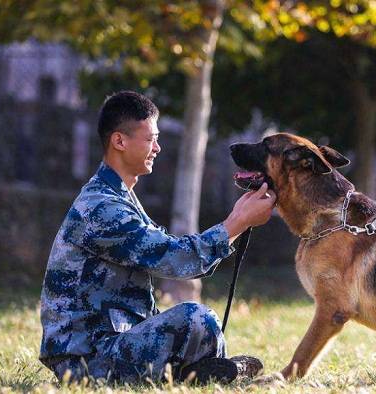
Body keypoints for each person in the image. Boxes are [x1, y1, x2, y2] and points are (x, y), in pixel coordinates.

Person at [39, 91, 276, 384]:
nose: (158, 148)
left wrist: (236, 224)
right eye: (150, 139)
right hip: (85, 362)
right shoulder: (101, 207)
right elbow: (172, 258)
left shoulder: (118, 197)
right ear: (119, 141)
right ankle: (210, 374)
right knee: (196, 319)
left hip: (107, 346)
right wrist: (235, 223)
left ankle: (205, 374)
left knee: (199, 325)